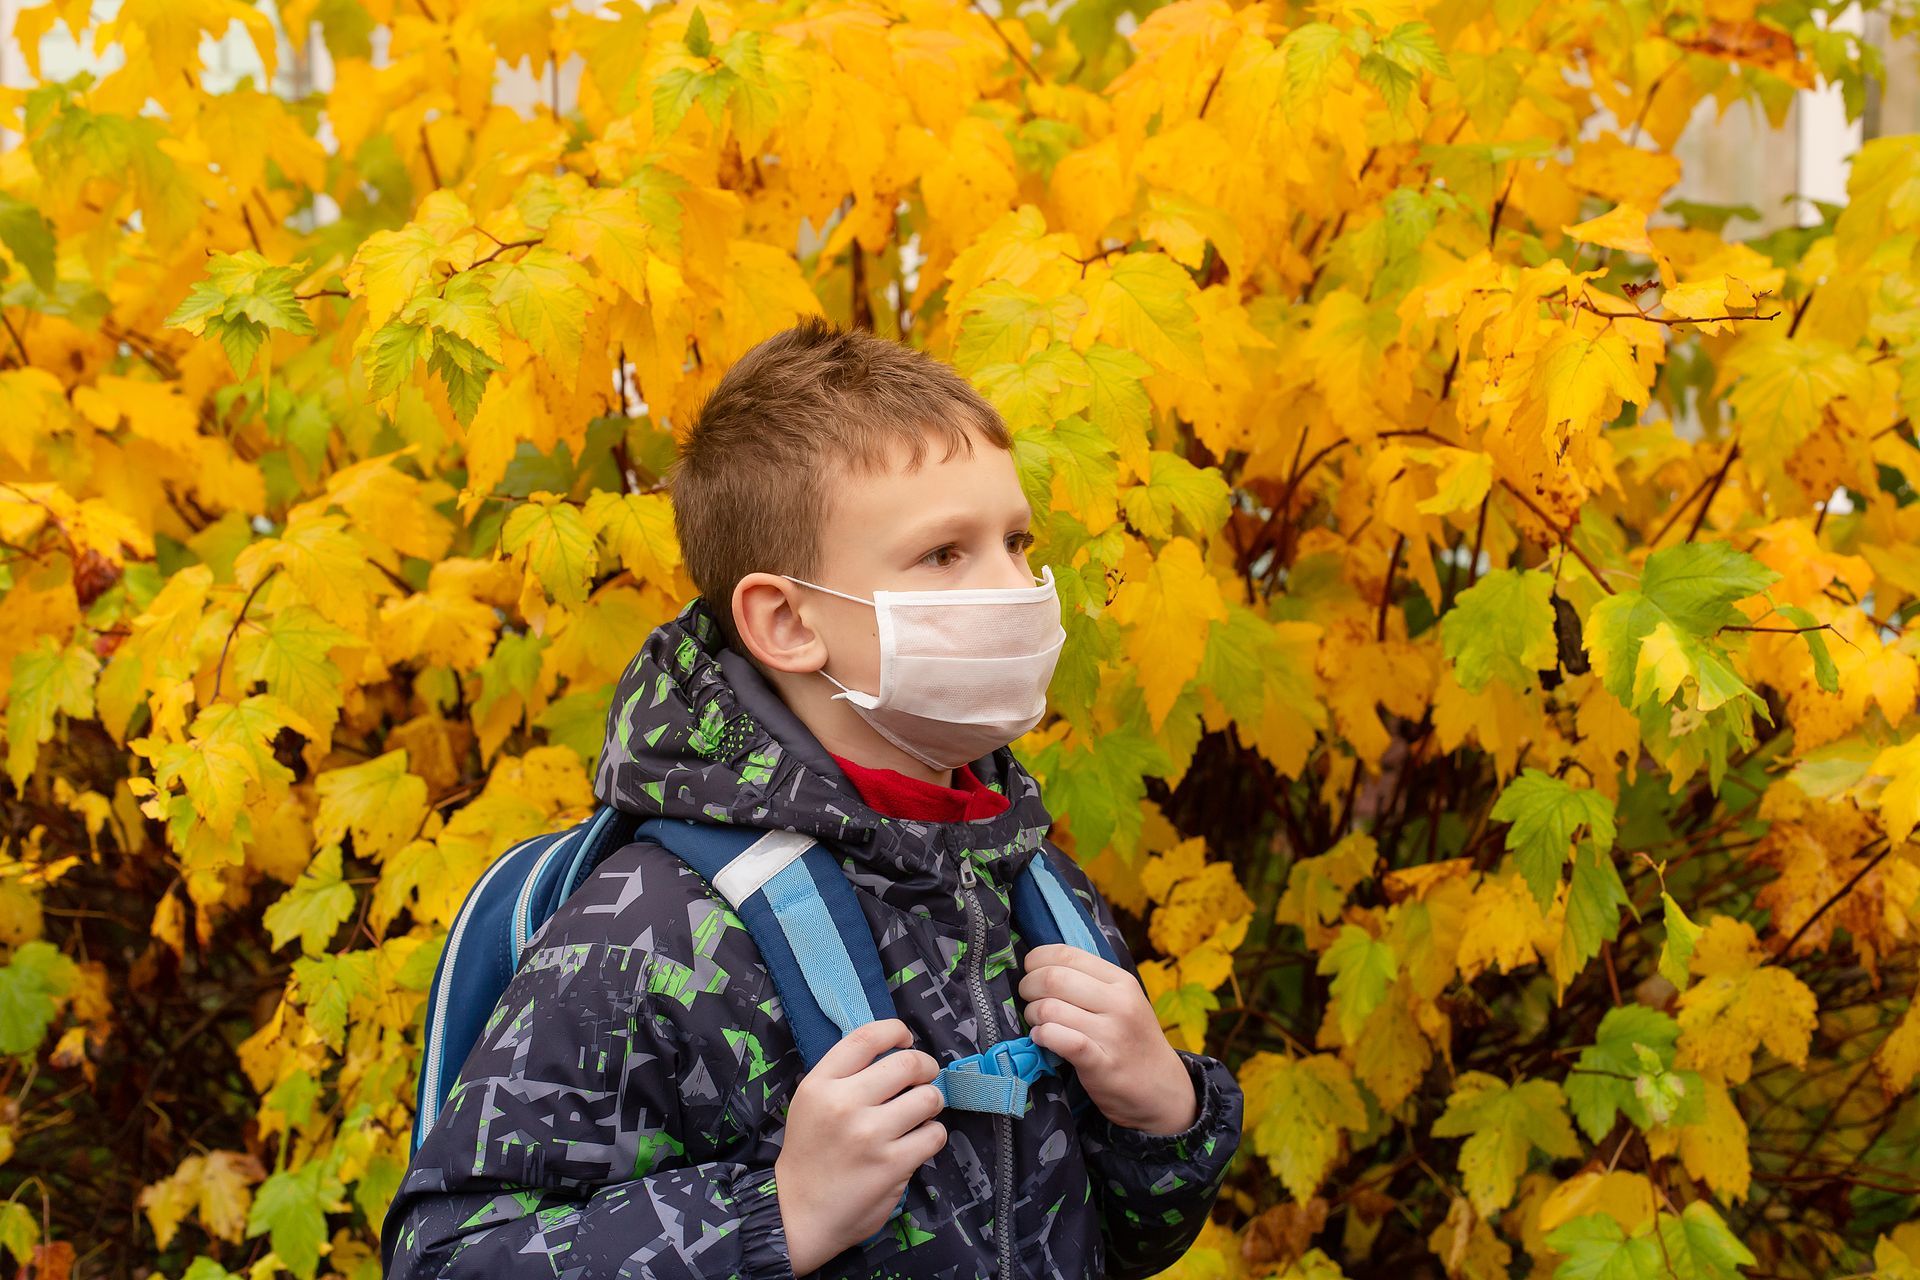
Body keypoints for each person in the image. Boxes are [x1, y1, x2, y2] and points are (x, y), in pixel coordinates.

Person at [380, 317, 1244, 1279]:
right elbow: (449, 1259)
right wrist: (776, 1215)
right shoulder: (658, 931)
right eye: (943, 555)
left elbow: (1127, 1241)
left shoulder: (1032, 883)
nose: (1015, 588)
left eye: (1014, 540)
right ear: (787, 620)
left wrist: (1166, 1116)